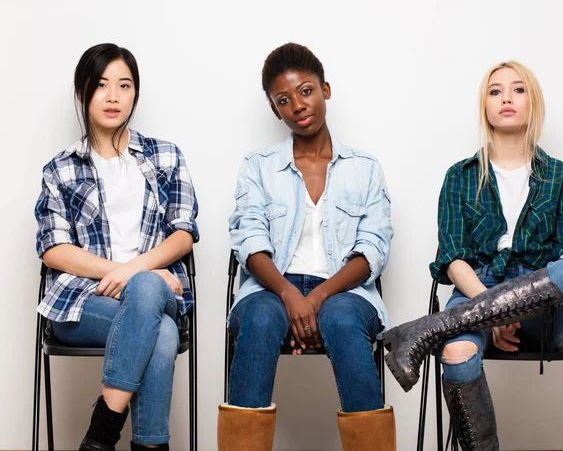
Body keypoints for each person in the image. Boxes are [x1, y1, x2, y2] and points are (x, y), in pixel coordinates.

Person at [383, 61, 563, 450]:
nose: (506, 98)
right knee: (457, 349)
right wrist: (492, 312)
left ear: (534, 102)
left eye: (518, 90)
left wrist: (515, 311)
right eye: (495, 91)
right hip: (477, 287)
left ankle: (427, 328)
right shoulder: (460, 176)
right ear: (485, 106)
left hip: (539, 305)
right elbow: (452, 257)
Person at [218, 43, 395, 451]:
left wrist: (314, 298)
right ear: (274, 109)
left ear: (325, 90)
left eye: (306, 91)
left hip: (344, 291)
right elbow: (250, 240)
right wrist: (289, 297)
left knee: (342, 321)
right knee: (261, 320)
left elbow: (373, 249)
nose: (298, 105)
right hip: (270, 288)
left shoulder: (365, 168)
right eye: (284, 100)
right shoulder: (257, 166)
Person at [34, 43, 199, 451]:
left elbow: (183, 233)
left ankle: (100, 436)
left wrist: (138, 274)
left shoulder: (165, 156)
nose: (113, 96)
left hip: (157, 292)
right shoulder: (61, 168)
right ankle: (134, 442)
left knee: (148, 296)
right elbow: (53, 249)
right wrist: (128, 274)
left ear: (135, 94)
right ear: (82, 93)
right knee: (159, 330)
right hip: (82, 302)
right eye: (102, 85)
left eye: (124, 85)